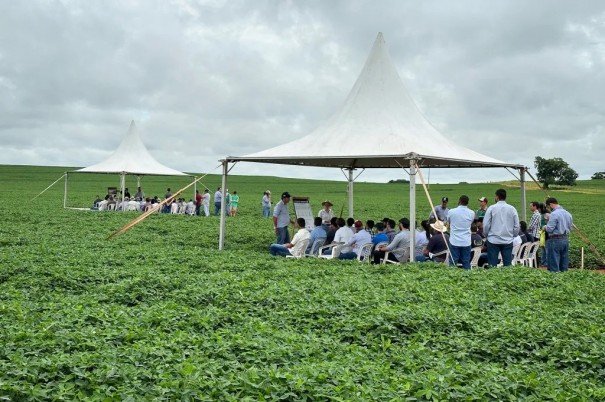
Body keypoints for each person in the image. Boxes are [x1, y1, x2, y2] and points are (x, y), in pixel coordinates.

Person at [482, 188, 520, 267]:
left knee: (492, 265)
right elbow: (517, 226)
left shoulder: (491, 208)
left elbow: (486, 225)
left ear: (497, 197)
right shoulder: (512, 209)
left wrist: (486, 235)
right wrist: (513, 235)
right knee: (508, 265)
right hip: (507, 240)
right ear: (505, 197)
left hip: (493, 240)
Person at [543, 197, 573, 273]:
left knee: (553, 263)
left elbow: (550, 229)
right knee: (564, 262)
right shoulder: (568, 213)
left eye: (548, 207)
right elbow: (571, 228)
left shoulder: (554, 214)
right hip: (565, 239)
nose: (548, 209)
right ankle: (564, 278)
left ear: (551, 205)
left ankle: (555, 280)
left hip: (554, 240)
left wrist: (544, 227)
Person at [446, 195, 476, 269]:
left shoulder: (451, 211)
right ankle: (468, 277)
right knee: (466, 262)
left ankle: (451, 278)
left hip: (454, 241)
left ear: (459, 201)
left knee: (453, 262)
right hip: (466, 241)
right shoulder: (471, 213)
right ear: (467, 203)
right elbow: (471, 223)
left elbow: (448, 223)